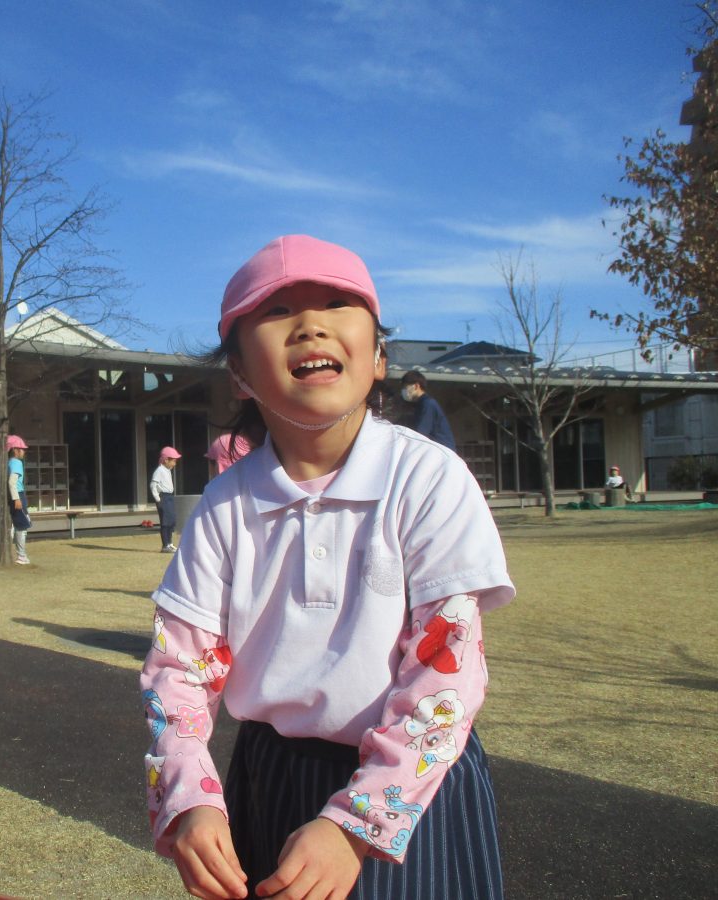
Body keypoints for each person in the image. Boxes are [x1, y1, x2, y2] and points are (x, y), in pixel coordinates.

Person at [139, 235, 514, 900]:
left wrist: (356, 825)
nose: (310, 324)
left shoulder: (428, 478)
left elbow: (446, 677)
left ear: (379, 356)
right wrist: (189, 794)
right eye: (277, 311)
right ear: (239, 374)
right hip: (271, 777)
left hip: (410, 789)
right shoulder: (225, 506)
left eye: (338, 304)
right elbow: (178, 672)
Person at [399, 370, 456, 451]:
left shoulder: (427, 404)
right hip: (438, 449)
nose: (403, 391)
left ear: (416, 386)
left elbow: (419, 434)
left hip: (442, 450)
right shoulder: (421, 404)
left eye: (405, 387)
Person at [150, 446, 182, 552]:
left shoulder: (167, 470)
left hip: (169, 497)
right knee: (165, 521)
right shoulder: (159, 470)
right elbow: (153, 485)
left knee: (171, 520)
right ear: (166, 460)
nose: (175, 464)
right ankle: (165, 545)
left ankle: (170, 543)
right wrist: (157, 498)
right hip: (163, 497)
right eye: (173, 461)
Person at [6, 435, 31, 565]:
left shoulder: (7, 462)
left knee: (13, 525)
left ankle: (10, 552)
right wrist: (16, 498)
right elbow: (12, 482)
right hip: (17, 495)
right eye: (22, 449)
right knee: (22, 525)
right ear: (15, 450)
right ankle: (21, 555)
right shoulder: (16, 463)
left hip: (9, 496)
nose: (24, 451)